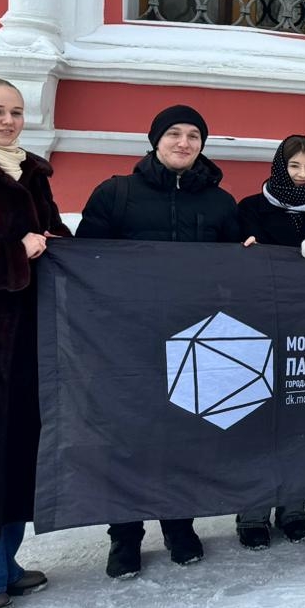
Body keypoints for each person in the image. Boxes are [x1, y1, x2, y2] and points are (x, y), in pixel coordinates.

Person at [77, 104, 241, 579]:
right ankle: (125, 534)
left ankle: (179, 525)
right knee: (124, 439)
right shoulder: (116, 194)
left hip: (193, 340)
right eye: (174, 133)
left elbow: (234, 272)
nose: (184, 143)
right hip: (125, 341)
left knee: (183, 436)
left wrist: (249, 261)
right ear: (155, 139)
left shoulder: (220, 202)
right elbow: (86, 260)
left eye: (194, 136)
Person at [0, 77, 69, 608]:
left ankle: (5, 563)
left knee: (18, 456)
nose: (8, 121)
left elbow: (54, 236)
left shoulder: (30, 174)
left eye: (16, 112)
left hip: (27, 344)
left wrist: (60, 246)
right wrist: (13, 254)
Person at [234, 135, 305, 549]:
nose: (302, 174)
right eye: (295, 166)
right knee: (259, 422)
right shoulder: (249, 208)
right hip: (259, 330)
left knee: (302, 421)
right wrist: (245, 252)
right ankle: (252, 514)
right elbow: (230, 265)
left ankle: (294, 509)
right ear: (281, 167)